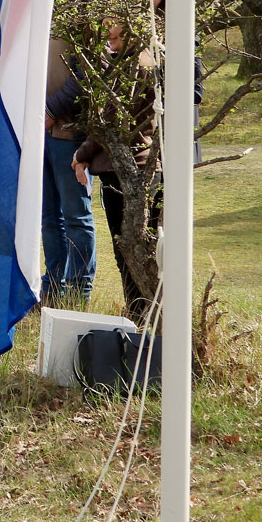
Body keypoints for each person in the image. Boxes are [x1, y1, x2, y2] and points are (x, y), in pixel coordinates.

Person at [71, 22, 161, 319]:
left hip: (125, 166)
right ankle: (142, 311)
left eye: (115, 36)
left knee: (130, 247)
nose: (110, 40)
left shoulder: (133, 68)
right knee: (137, 246)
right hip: (138, 163)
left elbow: (110, 118)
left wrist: (81, 154)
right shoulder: (142, 62)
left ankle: (139, 313)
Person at [42, 0, 97, 302]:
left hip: (67, 130)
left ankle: (79, 289)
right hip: (38, 132)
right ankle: (54, 287)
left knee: (75, 215)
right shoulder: (45, 5)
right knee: (48, 217)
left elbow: (86, 74)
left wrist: (51, 111)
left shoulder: (90, 10)